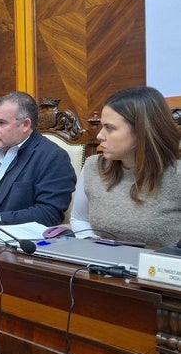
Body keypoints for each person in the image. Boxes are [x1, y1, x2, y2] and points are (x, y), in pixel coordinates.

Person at [70, 86, 181, 247]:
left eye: (109, 128)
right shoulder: (93, 166)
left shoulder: (176, 175)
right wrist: (93, 246)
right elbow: (79, 219)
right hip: (102, 265)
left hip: (158, 268)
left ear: (141, 131)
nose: (100, 136)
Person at [0, 91, 76, 226]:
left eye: (1, 123)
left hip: (7, 240)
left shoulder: (53, 157)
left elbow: (48, 213)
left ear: (25, 125)